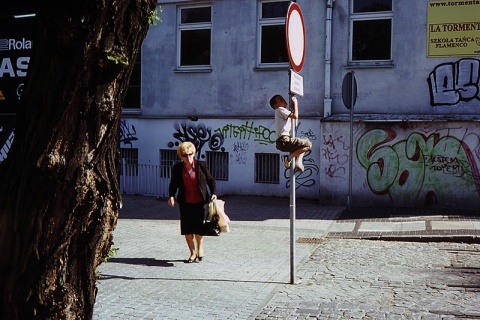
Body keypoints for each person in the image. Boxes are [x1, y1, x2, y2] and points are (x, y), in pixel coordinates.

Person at [168, 141, 217, 263]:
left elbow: (211, 181)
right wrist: (171, 196)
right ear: (180, 156)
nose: (188, 157)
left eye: (190, 154)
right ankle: (192, 253)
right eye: (185, 155)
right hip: (185, 202)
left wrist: (214, 194)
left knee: (198, 228)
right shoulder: (178, 168)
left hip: (199, 202)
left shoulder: (201, 165)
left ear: (193, 153)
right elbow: (173, 183)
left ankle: (200, 247)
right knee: (187, 229)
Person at [269, 94, 312, 172]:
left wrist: (294, 108)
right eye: (279, 100)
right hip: (283, 140)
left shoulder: (284, 114)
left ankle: (297, 162)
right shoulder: (280, 109)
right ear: (275, 106)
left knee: (303, 145)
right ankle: (288, 158)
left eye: (282, 98)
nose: (283, 100)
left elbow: (295, 123)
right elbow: (295, 116)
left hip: (282, 141)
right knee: (308, 144)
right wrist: (295, 103)